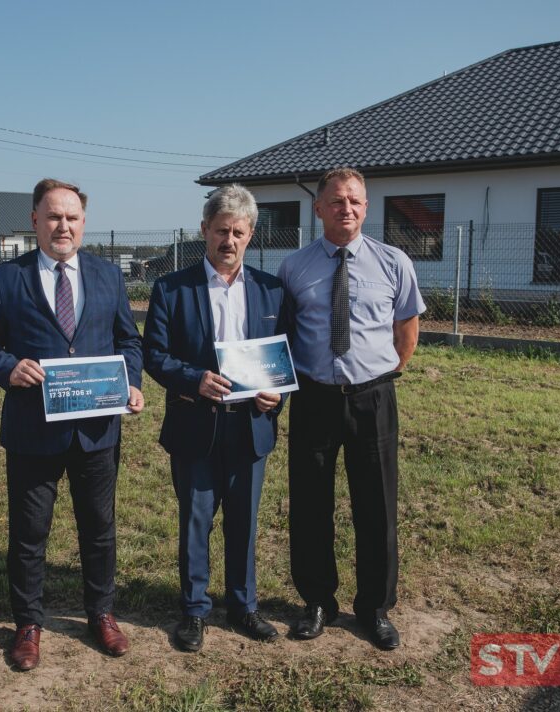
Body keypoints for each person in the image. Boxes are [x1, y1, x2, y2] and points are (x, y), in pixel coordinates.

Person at [0, 178, 144, 671]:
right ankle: (28, 624)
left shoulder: (108, 276)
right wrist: (8, 367)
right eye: (52, 217)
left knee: (100, 529)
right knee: (29, 533)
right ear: (35, 222)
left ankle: (101, 614)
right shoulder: (7, 278)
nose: (62, 226)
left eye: (71, 218)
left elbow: (129, 341)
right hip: (33, 430)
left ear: (83, 223)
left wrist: (130, 381)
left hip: (96, 429)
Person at [277, 167, 425, 651]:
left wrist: (379, 372)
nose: (347, 209)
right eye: (337, 201)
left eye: (356, 202)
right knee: (310, 502)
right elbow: (285, 333)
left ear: (366, 207)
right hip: (314, 397)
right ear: (318, 208)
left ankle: (375, 607)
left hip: (373, 398)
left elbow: (407, 329)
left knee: (376, 504)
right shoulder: (293, 268)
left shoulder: (394, 261)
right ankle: (317, 601)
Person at [143, 184, 285, 652]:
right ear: (204, 230)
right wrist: (193, 380)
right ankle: (194, 610)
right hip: (195, 423)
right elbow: (154, 356)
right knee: (196, 522)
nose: (229, 240)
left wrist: (274, 397)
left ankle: (244, 607)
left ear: (251, 234)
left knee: (244, 521)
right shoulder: (171, 289)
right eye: (221, 230)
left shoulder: (270, 291)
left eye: (238, 232)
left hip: (250, 425)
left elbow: (285, 360)